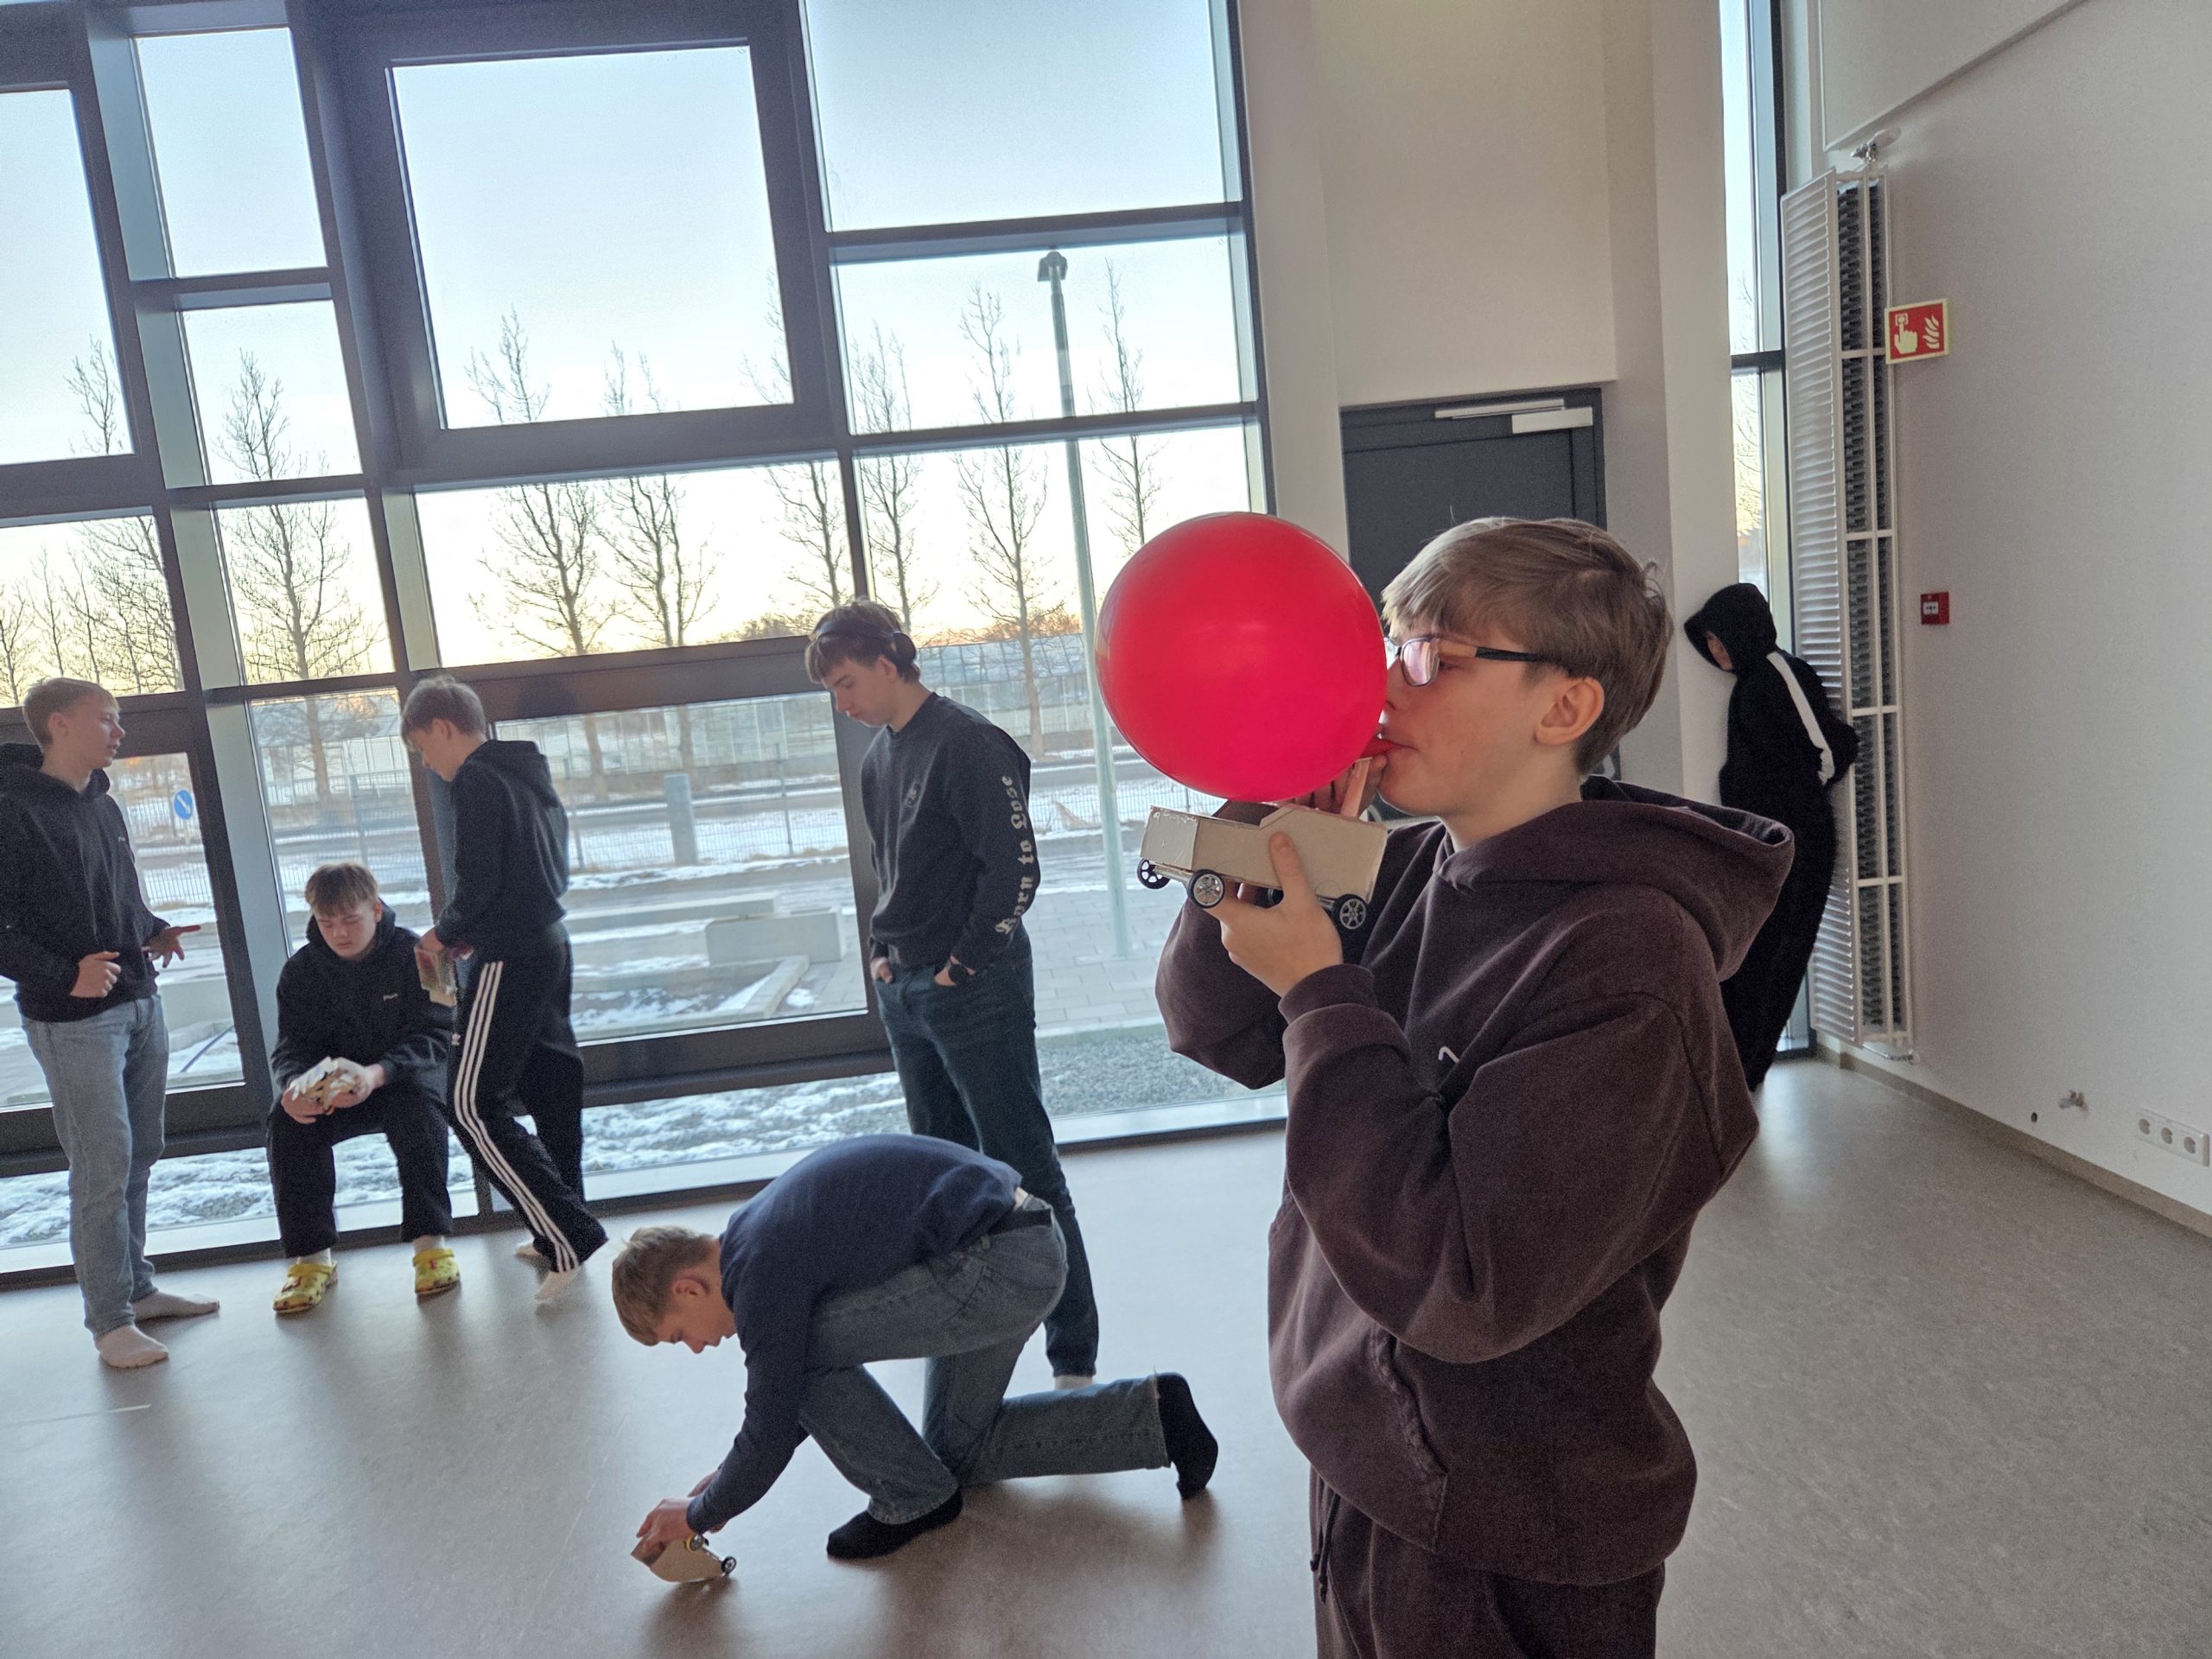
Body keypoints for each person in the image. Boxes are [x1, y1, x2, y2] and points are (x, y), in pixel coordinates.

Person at [1155, 518, 1792, 1658]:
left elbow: (1463, 1278)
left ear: (1565, 707)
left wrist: (1322, 988)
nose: (1380, 687)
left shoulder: (1629, 960)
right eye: (1387, 646)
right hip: (1370, 1459)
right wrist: (1267, 811)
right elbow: (1216, 1029)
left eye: (1431, 657)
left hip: (1506, 1523)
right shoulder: (1412, 867)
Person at [617, 1134, 1217, 1562]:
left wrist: (696, 1513)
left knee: (800, 1361)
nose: (696, 1349)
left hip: (997, 1265)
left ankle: (912, 1499)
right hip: (1021, 1240)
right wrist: (725, 1485)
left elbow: (775, 1413)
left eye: (679, 1335)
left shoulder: (760, 1276)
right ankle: (1157, 1418)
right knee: (959, 1453)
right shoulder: (755, 1236)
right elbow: (794, 1408)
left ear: (687, 1288)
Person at [806, 601, 1099, 1386]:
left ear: (889, 662)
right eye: (832, 692)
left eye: (847, 682)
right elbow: (888, 866)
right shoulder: (879, 757)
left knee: (1024, 1167)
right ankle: (969, 1342)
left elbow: (1016, 872)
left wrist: (962, 966)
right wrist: (882, 955)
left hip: (972, 989)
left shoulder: (967, 742)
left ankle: (1073, 1356)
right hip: (905, 989)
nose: (843, 703)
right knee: (940, 1174)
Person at [0, 678, 213, 1368]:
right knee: (102, 1166)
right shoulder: (10, 811)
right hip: (73, 1020)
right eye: (107, 720)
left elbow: (114, 894)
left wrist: (150, 929)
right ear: (60, 724)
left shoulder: (104, 803)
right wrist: (66, 976)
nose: (120, 733)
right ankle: (110, 1322)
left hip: (138, 1000)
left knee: (141, 1152)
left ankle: (137, 1290)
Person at [401, 674, 604, 1302]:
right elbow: (533, 872)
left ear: (442, 727)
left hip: (511, 956)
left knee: (468, 1102)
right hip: (549, 944)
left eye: (423, 749)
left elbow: (479, 878)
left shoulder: (476, 780)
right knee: (549, 1088)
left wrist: (445, 933)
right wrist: (475, 928)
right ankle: (556, 1230)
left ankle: (568, 1235)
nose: (428, 765)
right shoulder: (528, 775)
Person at [1684, 582, 1860, 1090]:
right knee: (1754, 954)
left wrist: (1797, 797)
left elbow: (1830, 749)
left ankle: (1744, 1073)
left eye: (1720, 638)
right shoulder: (1749, 683)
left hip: (1798, 838)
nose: (1715, 650)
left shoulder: (1779, 672)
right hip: (1764, 841)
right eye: (1708, 642)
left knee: (1779, 955)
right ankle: (1736, 1072)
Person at [265, 861, 458, 1313]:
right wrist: (294, 1086)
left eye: (350, 920)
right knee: (286, 1122)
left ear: (376, 909)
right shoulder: (298, 971)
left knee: (418, 1115)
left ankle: (431, 1246)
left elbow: (442, 1034)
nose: (339, 933)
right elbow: (290, 1047)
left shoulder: (425, 955)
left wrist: (378, 1073)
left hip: (402, 1078)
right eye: (327, 923)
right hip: (336, 1089)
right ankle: (312, 1260)